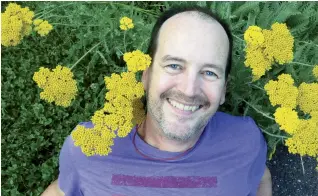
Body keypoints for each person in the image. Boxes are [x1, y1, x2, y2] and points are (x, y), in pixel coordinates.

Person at [42, 5, 272, 196]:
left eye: (210, 72)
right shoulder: (88, 146)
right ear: (146, 74)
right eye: (174, 66)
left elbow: (260, 177)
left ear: (224, 89)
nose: (189, 89)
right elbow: (61, 190)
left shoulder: (246, 140)